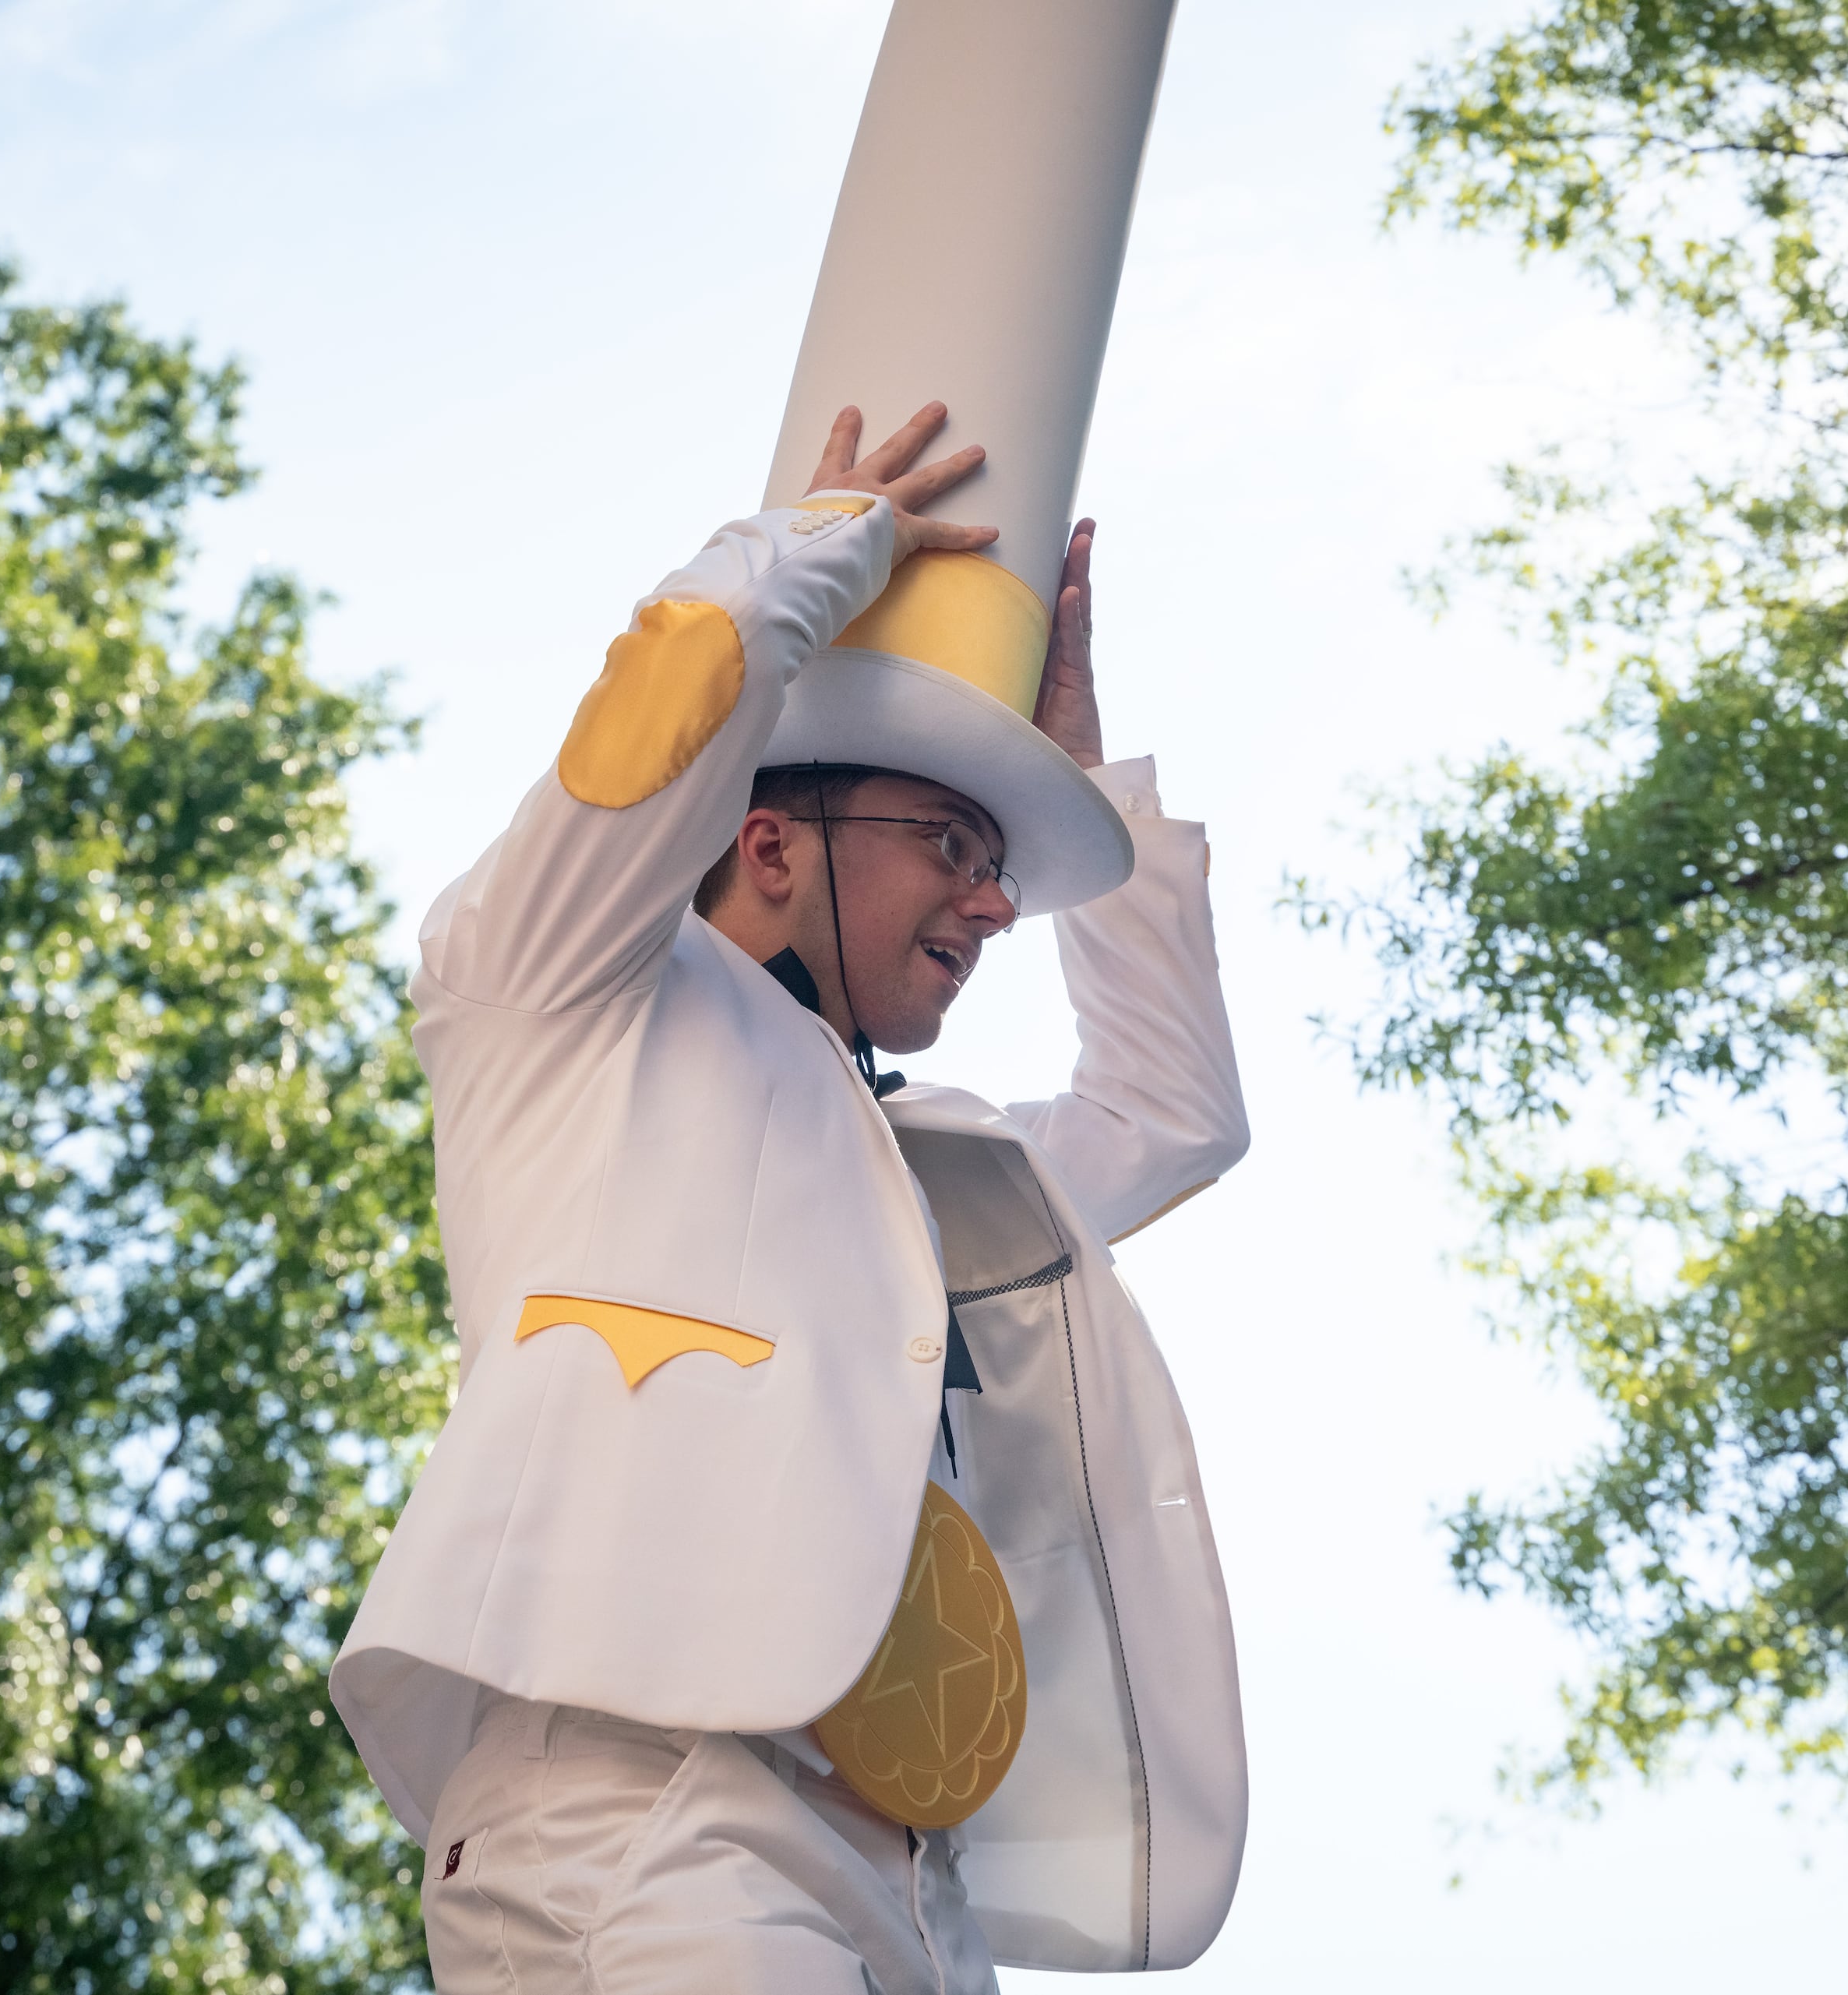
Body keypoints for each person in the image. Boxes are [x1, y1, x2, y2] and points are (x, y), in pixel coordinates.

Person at [331, 404, 1250, 1993]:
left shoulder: (950, 1165)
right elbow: (658, 715)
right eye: (955, 842)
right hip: (644, 1801)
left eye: (999, 868)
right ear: (766, 841)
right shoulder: (552, 998)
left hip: (911, 1888)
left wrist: (1080, 774)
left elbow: (1174, 1111)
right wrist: (826, 543)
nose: (992, 903)